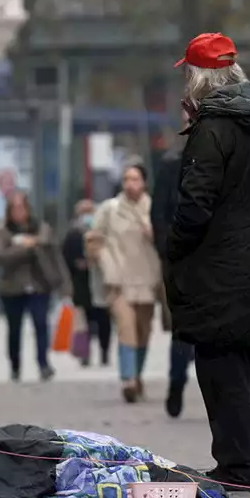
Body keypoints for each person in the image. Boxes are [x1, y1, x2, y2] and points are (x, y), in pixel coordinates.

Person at [165, 32, 250, 491]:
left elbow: (196, 205)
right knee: (240, 372)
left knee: (219, 372)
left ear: (198, 78)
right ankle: (236, 463)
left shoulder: (212, 131)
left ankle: (236, 470)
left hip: (219, 271)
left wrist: (175, 247)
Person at [89, 163, 162, 403]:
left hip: (148, 280)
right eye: (126, 179)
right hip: (118, 281)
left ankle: (137, 375)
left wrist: (153, 231)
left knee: (143, 331)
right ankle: (128, 380)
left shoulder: (155, 208)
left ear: (144, 182)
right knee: (126, 326)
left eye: (135, 179)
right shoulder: (110, 209)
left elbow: (170, 240)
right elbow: (93, 239)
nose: (130, 184)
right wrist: (104, 261)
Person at [0, 190, 71, 382]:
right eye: (15, 208)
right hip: (12, 288)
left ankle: (43, 363)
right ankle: (15, 366)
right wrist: (24, 247)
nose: (19, 212)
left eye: (22, 207)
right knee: (14, 329)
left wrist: (64, 285)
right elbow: (1, 257)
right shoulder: (4, 231)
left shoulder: (42, 229)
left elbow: (55, 257)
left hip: (39, 285)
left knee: (40, 324)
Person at [152, 121, 196, 418]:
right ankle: (177, 381)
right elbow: (158, 214)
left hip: (217, 259)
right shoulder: (171, 165)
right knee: (183, 328)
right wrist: (167, 251)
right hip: (181, 258)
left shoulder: (226, 163)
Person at [62, 199, 111, 367]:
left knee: (104, 320)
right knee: (82, 321)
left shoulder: (102, 231)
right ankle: (84, 353)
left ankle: (105, 351)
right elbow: (66, 256)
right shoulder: (73, 234)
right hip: (80, 283)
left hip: (100, 281)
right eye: (84, 212)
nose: (87, 216)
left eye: (90, 211)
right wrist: (76, 265)